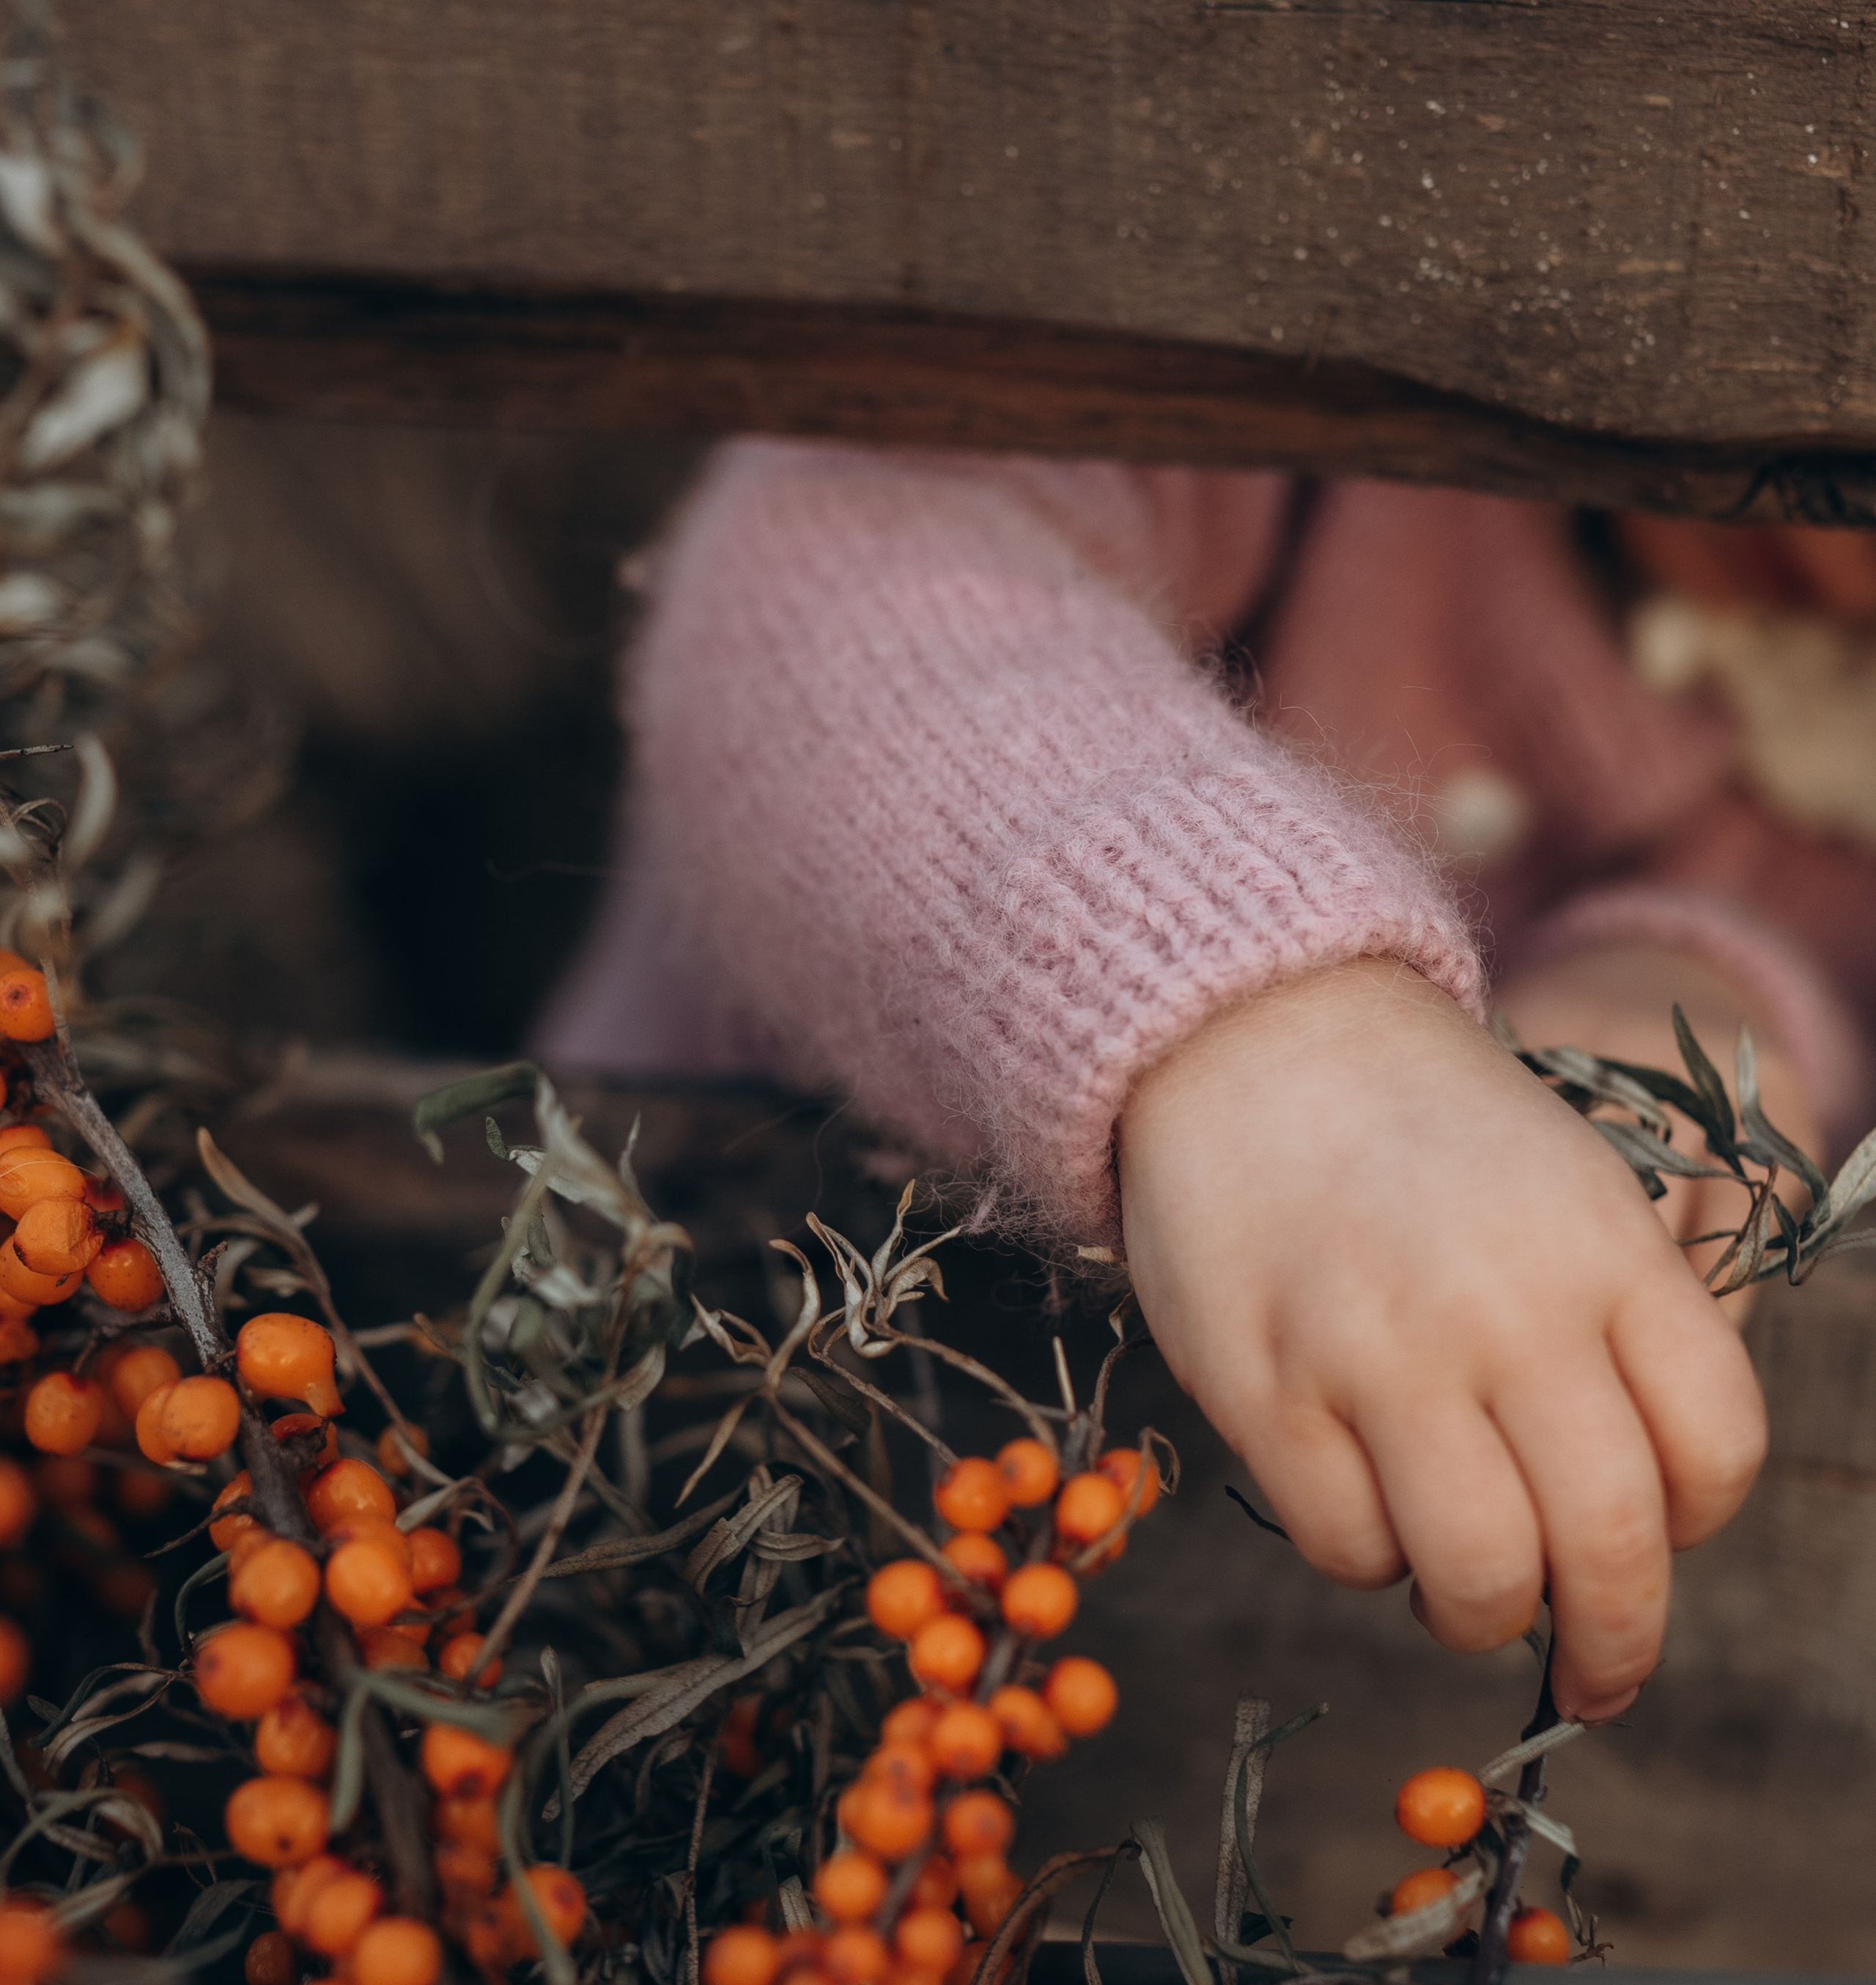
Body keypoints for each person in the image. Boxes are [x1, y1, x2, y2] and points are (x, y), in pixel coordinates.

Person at [539, 451, 1876, 1726]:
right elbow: (825, 564)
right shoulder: (1318, 348)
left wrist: (1700, 977)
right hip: (640, 1386)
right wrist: (1263, 1018)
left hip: (1149, 1698)